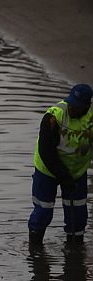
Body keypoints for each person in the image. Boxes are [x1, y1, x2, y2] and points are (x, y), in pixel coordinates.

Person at [28, 83, 93, 245]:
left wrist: (72, 178)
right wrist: (64, 177)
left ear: (87, 105)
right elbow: (46, 152)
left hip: (77, 172)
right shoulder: (53, 117)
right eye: (71, 104)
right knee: (43, 212)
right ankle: (35, 251)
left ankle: (75, 251)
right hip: (47, 170)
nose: (72, 109)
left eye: (77, 107)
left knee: (77, 215)